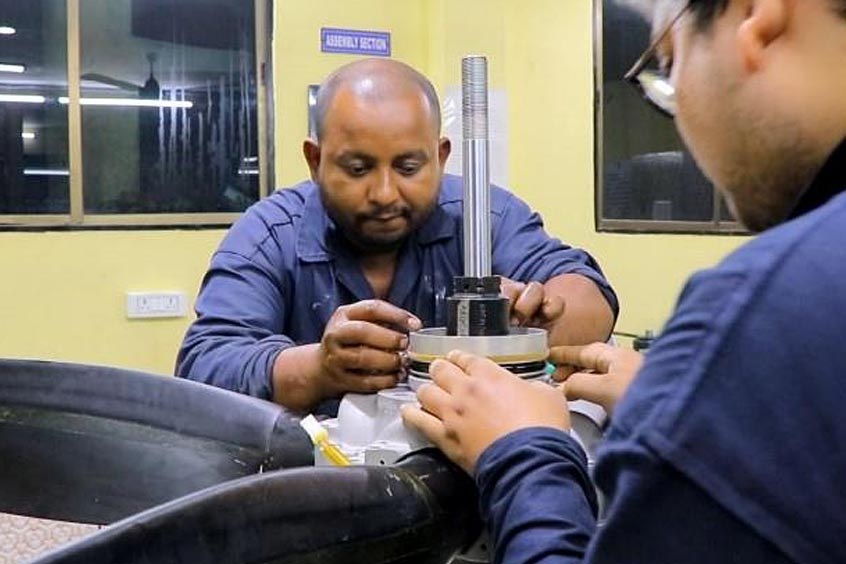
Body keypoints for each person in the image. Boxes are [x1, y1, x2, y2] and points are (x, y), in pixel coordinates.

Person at [403, 0, 846, 562]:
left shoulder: (761, 310)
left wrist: (524, 451)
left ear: (757, 14)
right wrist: (687, 404)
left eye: (669, 64)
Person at [176, 58, 618, 414]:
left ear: (440, 157)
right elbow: (204, 364)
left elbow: (587, 293)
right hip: (315, 483)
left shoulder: (485, 217)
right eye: (358, 169)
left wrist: (538, 325)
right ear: (315, 160)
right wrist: (317, 369)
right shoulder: (271, 235)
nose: (385, 193)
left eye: (408, 168)